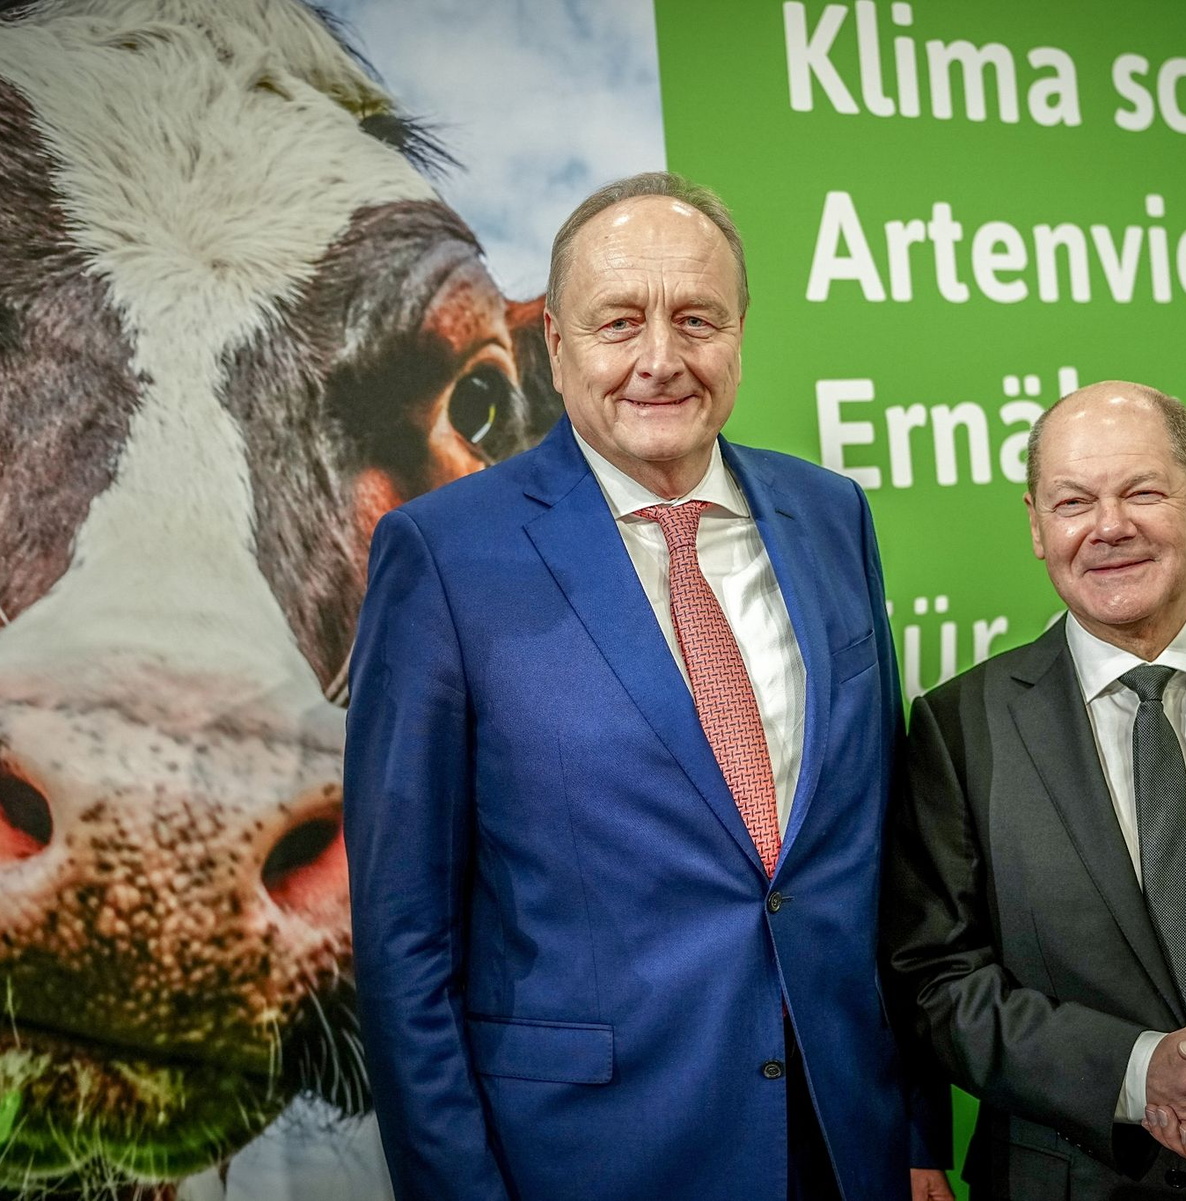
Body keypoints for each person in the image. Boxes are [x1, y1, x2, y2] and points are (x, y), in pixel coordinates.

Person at [344, 171, 950, 1201]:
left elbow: (883, 856)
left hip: (845, 1137)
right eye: (620, 321)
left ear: (740, 333)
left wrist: (918, 1130)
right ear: (556, 345)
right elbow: (407, 941)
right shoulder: (443, 555)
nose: (661, 359)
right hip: (594, 1154)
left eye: (696, 319)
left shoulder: (832, 515)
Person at [885, 380, 1186, 1198]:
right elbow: (937, 982)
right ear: (1036, 525)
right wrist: (1137, 1069)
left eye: (1142, 491)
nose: (1109, 525)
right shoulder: (958, 727)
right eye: (1073, 501)